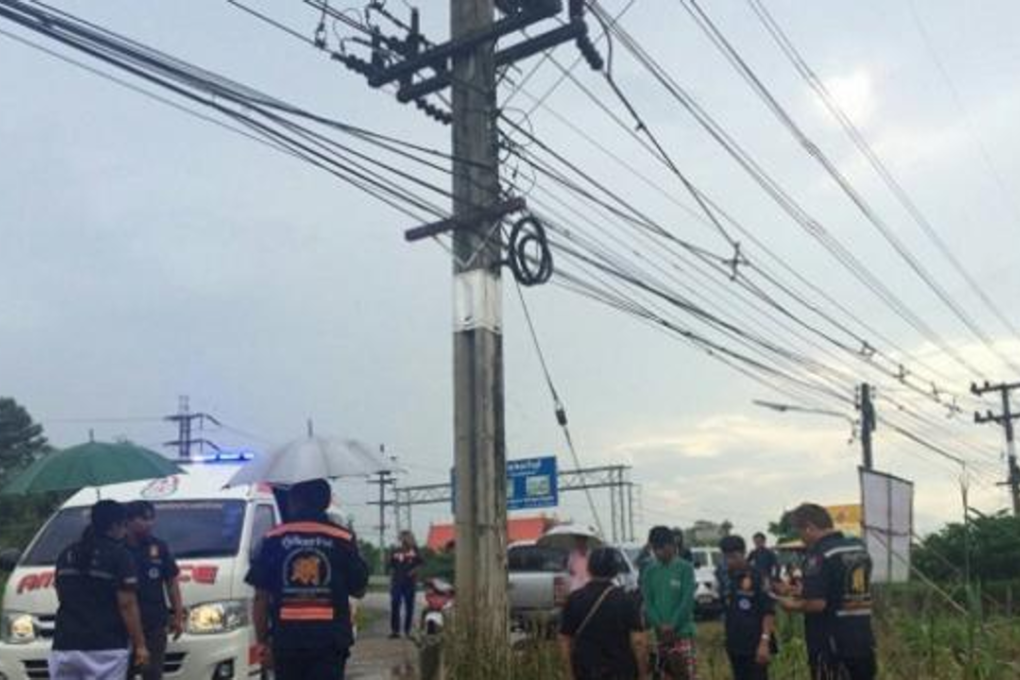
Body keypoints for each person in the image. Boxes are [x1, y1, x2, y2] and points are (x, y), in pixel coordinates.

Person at [246, 479, 369, 680]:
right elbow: (359, 590)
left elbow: (260, 597)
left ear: (294, 501)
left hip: (286, 643)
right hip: (330, 644)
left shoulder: (273, 539)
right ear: (327, 501)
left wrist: (262, 643)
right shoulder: (342, 539)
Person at [774, 503, 876, 680]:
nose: (801, 539)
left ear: (809, 527)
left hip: (831, 645)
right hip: (863, 640)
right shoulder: (859, 549)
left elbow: (816, 604)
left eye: (800, 532)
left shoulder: (819, 555)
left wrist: (791, 605)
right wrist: (804, 591)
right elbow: (843, 588)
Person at [50, 500, 149, 679]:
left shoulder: (66, 554)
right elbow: (127, 605)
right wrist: (140, 645)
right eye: (124, 525)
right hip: (106, 648)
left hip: (65, 646)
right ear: (115, 525)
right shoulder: (120, 556)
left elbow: (60, 593)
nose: (126, 531)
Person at [559, 547, 649, 680]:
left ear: (589, 569)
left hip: (585, 671)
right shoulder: (626, 600)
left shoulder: (574, 599)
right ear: (615, 571)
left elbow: (565, 640)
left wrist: (569, 674)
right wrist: (642, 674)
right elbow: (639, 642)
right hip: (621, 671)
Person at [124, 501, 184, 680]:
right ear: (128, 521)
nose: (149, 523)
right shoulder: (117, 549)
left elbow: (172, 583)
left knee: (152, 673)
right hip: (122, 624)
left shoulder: (159, 547)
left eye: (151, 518)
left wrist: (178, 615)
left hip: (154, 623)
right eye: (143, 519)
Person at [641, 526, 697, 680]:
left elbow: (687, 601)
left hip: (682, 633)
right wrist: (660, 625)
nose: (658, 553)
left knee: (687, 674)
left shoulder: (685, 568)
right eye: (654, 549)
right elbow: (648, 603)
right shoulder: (649, 571)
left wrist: (672, 625)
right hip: (659, 636)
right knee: (663, 675)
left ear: (672, 545)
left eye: (661, 548)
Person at [719, 536, 775, 680]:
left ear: (744, 553)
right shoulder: (725, 577)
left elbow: (768, 612)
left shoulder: (759, 576)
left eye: (733, 557)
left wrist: (764, 642)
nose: (729, 561)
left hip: (755, 645)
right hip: (734, 644)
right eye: (726, 557)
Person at [388, 530, 423, 639]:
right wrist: (391, 582)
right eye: (401, 537)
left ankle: (408, 631)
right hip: (397, 582)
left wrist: (413, 572)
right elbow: (391, 566)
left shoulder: (415, 550)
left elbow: (420, 564)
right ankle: (395, 631)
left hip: (409, 583)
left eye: (405, 537)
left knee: (409, 607)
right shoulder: (396, 550)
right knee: (395, 603)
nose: (403, 539)